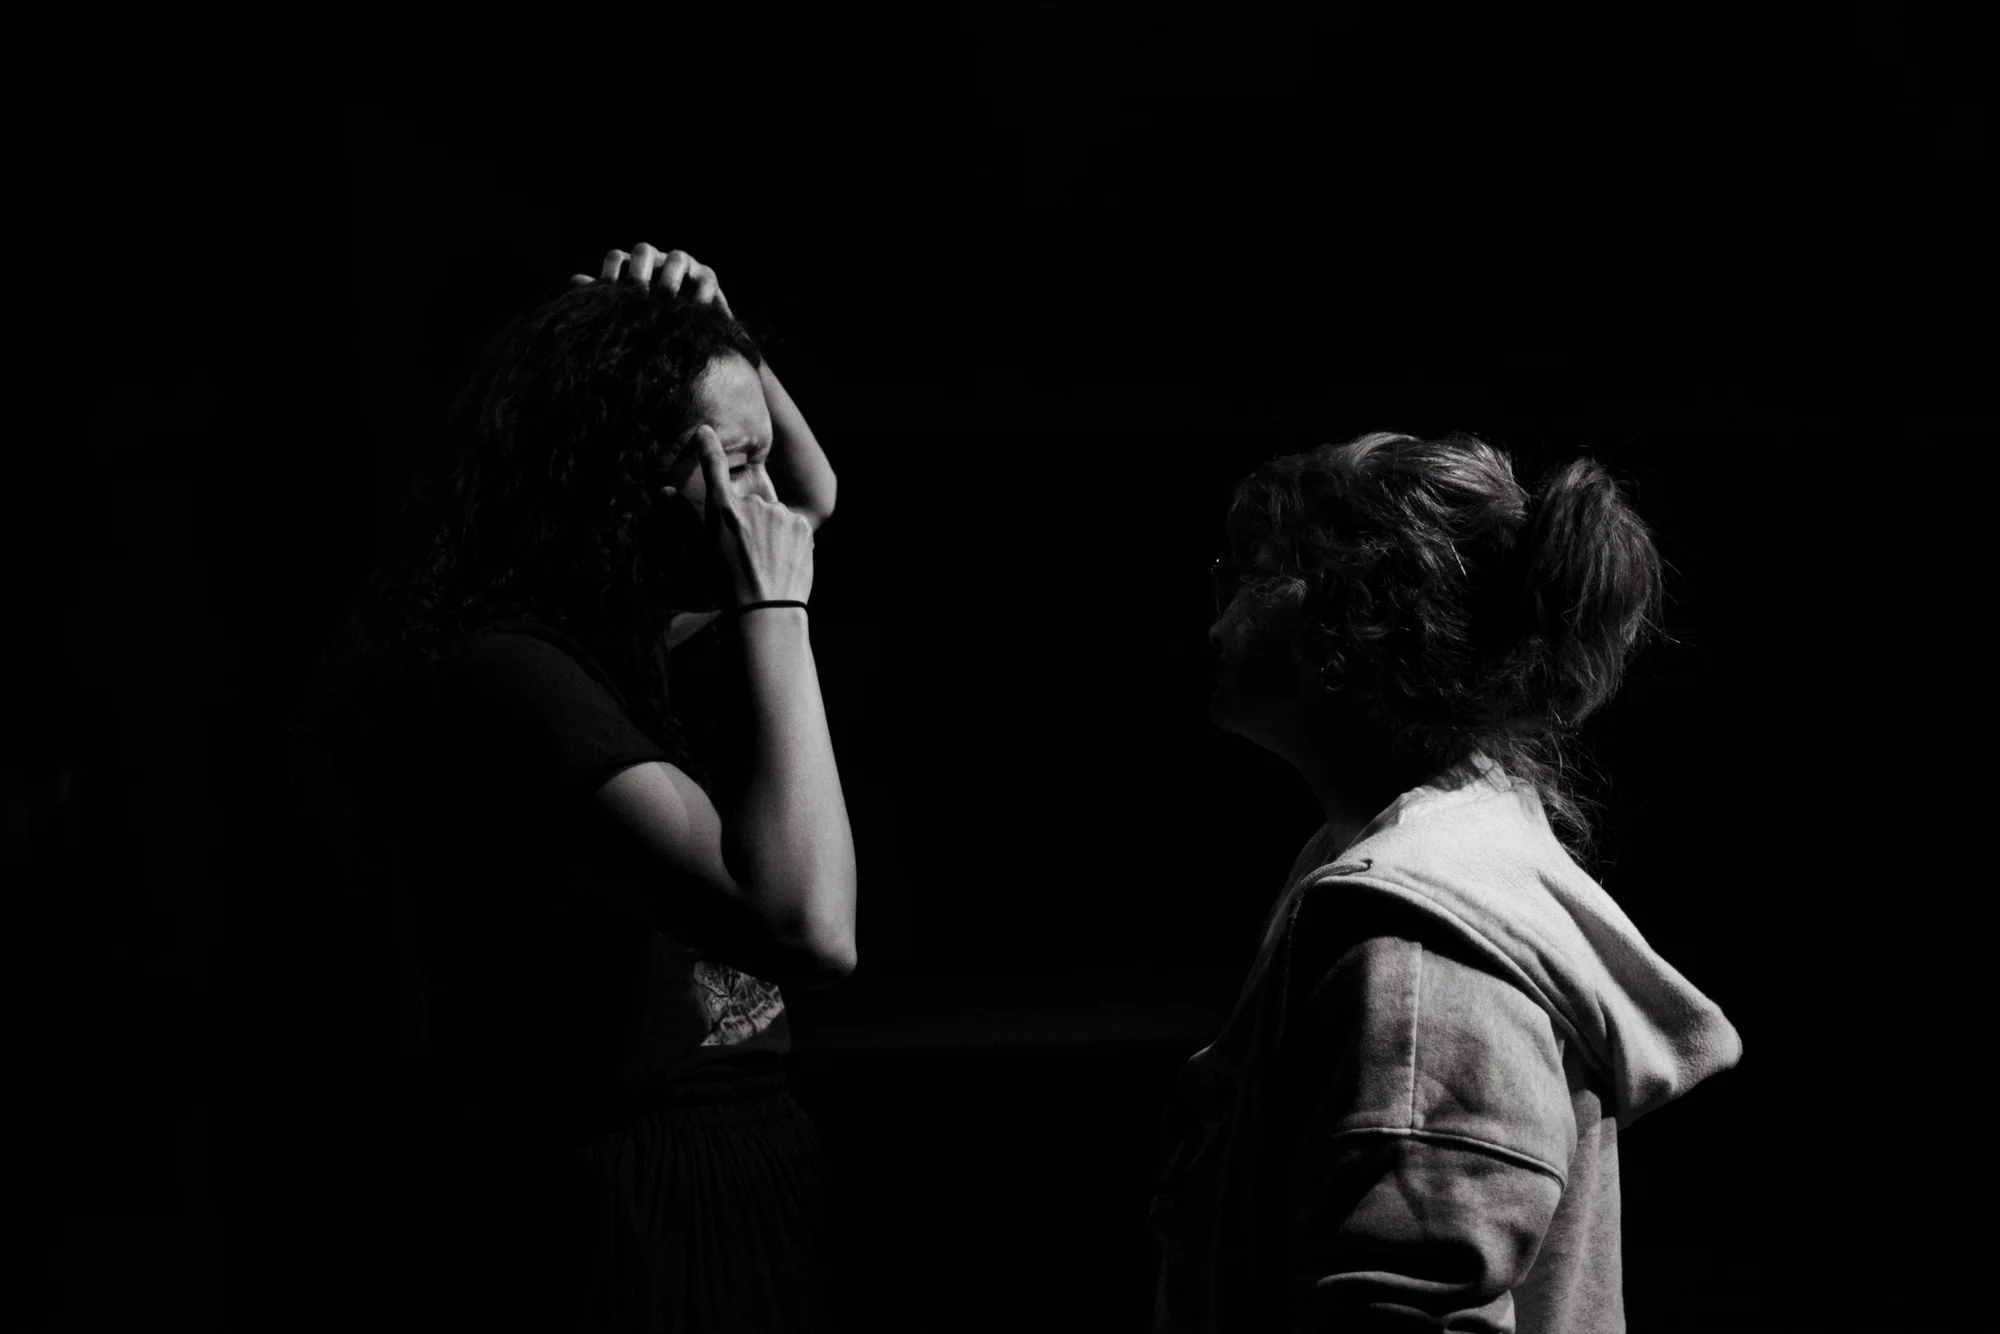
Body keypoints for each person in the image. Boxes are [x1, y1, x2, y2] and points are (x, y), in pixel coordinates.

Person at [309, 244, 855, 1332]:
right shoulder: (513, 674)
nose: (764, 504)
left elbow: (810, 493)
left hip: (737, 1162)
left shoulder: (610, 625)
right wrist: (775, 618)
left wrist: (718, 333)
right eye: (730, 461)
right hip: (629, 1194)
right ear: (617, 479)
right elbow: (808, 922)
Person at [1152, 432, 1742, 1332]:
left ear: (1361, 616)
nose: (1218, 606)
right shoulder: (1390, 873)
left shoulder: (1420, 943)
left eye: (1256, 568)